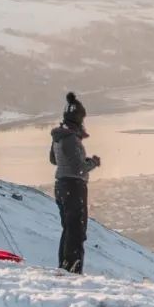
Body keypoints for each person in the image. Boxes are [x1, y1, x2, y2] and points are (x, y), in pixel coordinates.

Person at [50, 92, 101, 273]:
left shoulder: (59, 136)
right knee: (76, 230)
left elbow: (54, 160)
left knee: (69, 228)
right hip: (73, 186)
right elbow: (79, 168)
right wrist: (92, 162)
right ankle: (72, 267)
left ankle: (65, 265)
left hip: (62, 185)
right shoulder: (71, 138)